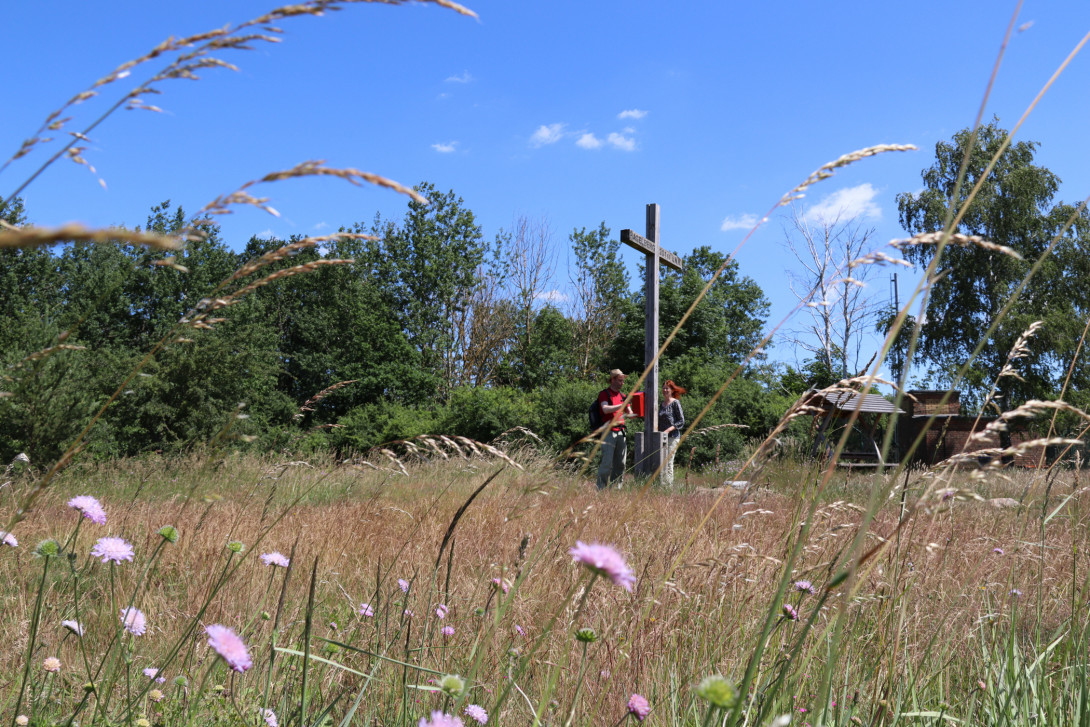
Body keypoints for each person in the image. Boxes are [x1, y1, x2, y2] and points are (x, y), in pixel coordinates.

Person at [596, 369, 634, 490]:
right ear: (612, 380)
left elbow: (631, 414)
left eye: (623, 381)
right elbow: (605, 409)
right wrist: (623, 404)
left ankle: (616, 489)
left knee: (621, 464)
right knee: (607, 463)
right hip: (608, 432)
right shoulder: (604, 394)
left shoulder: (623, 396)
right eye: (620, 380)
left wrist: (640, 406)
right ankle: (600, 489)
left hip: (621, 433)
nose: (622, 383)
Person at [658, 379, 686, 488]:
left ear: (672, 390)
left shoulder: (675, 403)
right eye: (664, 388)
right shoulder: (661, 404)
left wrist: (668, 430)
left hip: (672, 437)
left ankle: (668, 487)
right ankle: (662, 485)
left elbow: (681, 421)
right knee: (662, 462)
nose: (665, 390)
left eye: (667, 388)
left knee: (668, 462)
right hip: (661, 438)